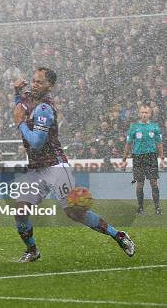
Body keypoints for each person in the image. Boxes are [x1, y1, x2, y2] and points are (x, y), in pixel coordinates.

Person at [12, 67, 135, 262]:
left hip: (56, 166)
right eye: (33, 80)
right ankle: (32, 251)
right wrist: (16, 93)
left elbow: (36, 142)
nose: (34, 84)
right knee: (20, 211)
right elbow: (20, 108)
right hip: (36, 168)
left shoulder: (45, 108)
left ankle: (118, 235)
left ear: (49, 86)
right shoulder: (29, 98)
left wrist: (20, 124)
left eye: (39, 82)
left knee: (74, 212)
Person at [120, 104, 163, 215]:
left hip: (151, 156)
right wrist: (124, 159)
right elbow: (128, 144)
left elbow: (159, 143)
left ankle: (157, 207)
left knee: (154, 183)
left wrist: (161, 157)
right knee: (140, 183)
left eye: (146, 112)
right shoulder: (134, 127)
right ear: (139, 114)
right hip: (138, 157)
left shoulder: (155, 127)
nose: (144, 114)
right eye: (142, 112)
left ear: (150, 114)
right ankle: (140, 207)